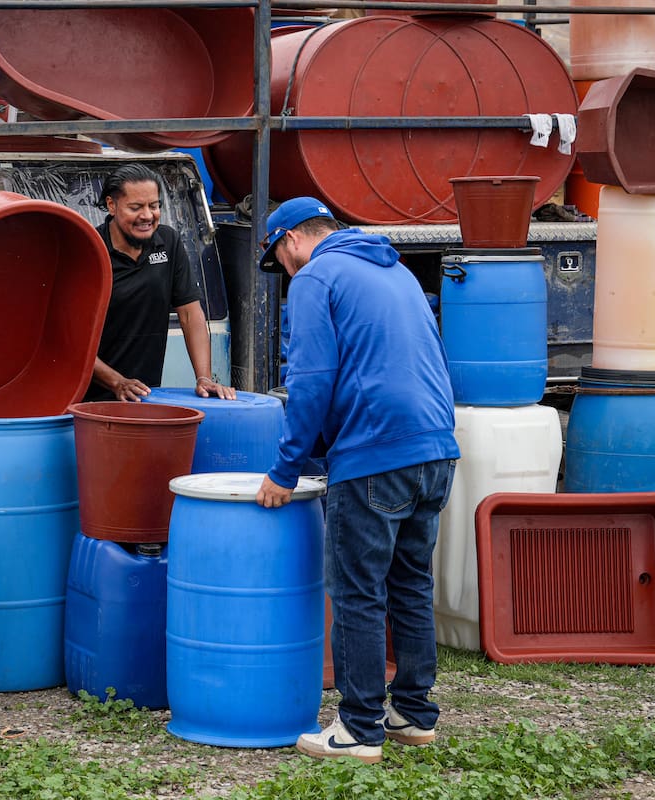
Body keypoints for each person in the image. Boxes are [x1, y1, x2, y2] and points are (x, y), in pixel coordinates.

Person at [253, 197, 459, 763]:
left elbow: (311, 379)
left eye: (279, 259)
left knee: (357, 592)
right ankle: (412, 714)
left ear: (291, 239)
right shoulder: (397, 272)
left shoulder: (316, 277)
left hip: (374, 452)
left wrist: (286, 469)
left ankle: (358, 728)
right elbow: (431, 359)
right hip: (435, 448)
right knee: (410, 584)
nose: (284, 272)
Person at [85, 164, 235, 402]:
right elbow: (70, 340)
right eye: (135, 207)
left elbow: (190, 314)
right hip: (89, 400)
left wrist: (204, 378)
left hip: (146, 395)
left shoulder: (168, 241)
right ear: (112, 205)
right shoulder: (90, 250)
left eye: (154, 206)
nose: (147, 215)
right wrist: (117, 382)